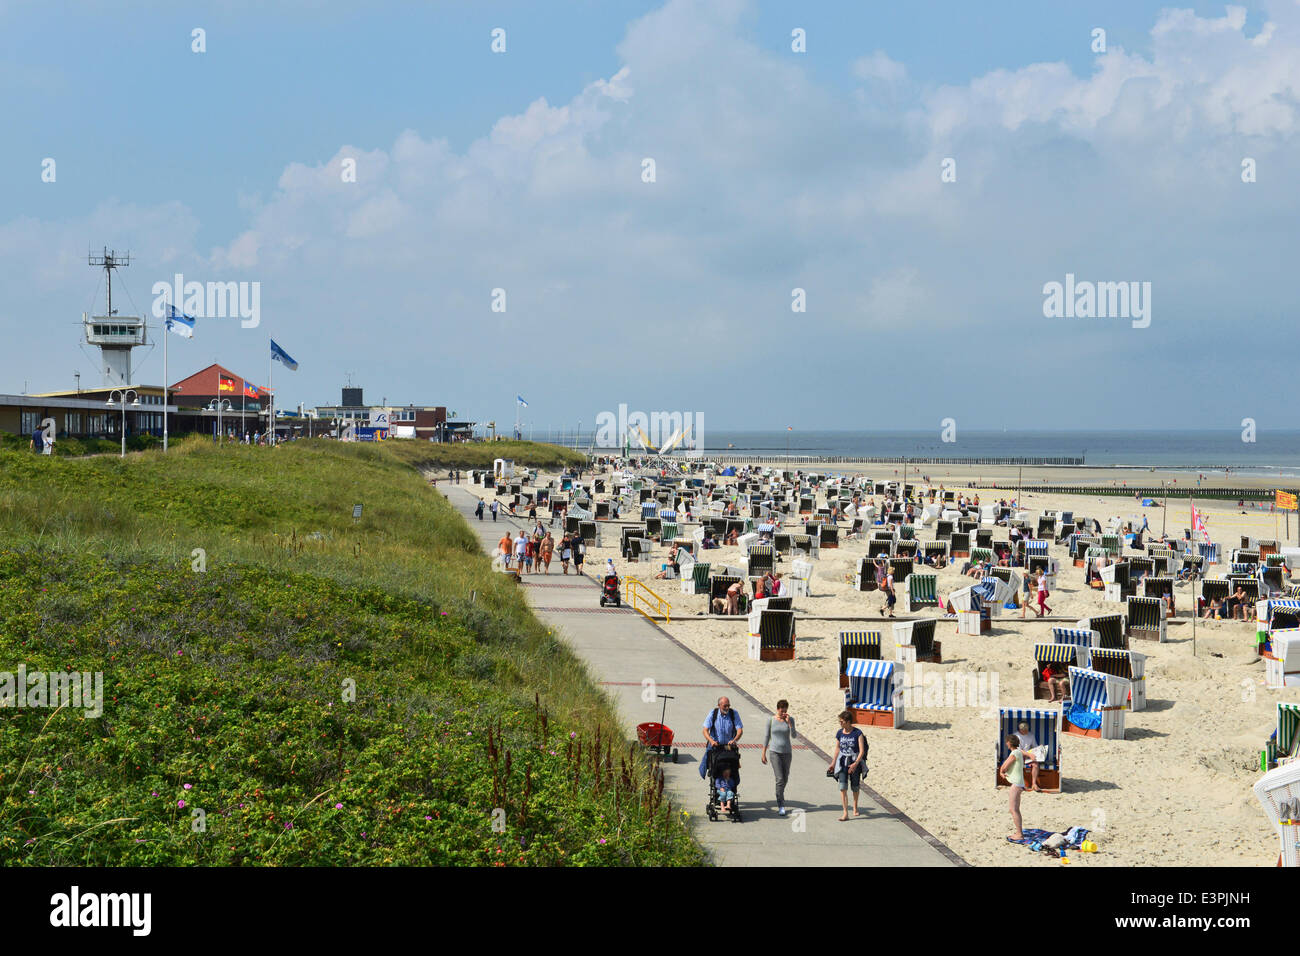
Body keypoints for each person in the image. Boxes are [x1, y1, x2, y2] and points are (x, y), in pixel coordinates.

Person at [828, 711, 866, 821]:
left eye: (842, 721)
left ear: (848, 722)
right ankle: (845, 813)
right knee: (843, 788)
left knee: (855, 787)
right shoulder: (840, 733)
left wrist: (855, 764)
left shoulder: (858, 733)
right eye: (839, 721)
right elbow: (837, 749)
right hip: (842, 762)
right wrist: (833, 763)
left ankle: (855, 807)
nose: (840, 723)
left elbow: (861, 751)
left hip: (854, 762)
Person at [761, 700, 797, 815]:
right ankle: (781, 803)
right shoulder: (771, 720)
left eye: (785, 711)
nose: (784, 713)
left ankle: (779, 793)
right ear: (777, 709)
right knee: (780, 778)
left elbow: (794, 736)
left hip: (787, 752)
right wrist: (763, 753)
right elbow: (767, 737)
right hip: (774, 752)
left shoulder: (790, 720)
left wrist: (789, 724)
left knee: (785, 778)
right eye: (782, 711)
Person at [699, 697, 743, 779]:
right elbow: (705, 730)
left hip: (728, 745)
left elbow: (740, 730)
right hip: (715, 744)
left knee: (735, 761)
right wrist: (711, 741)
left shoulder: (734, 713)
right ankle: (707, 770)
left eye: (728, 706)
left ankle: (734, 780)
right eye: (725, 706)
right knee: (707, 757)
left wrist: (734, 740)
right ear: (719, 705)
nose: (727, 708)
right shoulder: (713, 713)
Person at [1000, 734, 1030, 840]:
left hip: (1016, 784)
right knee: (1015, 809)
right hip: (1019, 783)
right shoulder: (1018, 752)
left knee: (1013, 809)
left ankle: (1019, 834)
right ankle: (1019, 832)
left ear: (1009, 743)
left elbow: (1005, 765)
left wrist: (1001, 771)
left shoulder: (1014, 753)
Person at [1015, 721, 1043, 792]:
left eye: (1027, 729)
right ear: (1020, 730)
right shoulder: (1015, 736)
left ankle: (1034, 784)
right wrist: (1029, 755)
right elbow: (1018, 750)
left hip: (1028, 755)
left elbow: (1035, 746)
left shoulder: (1031, 735)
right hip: (1018, 755)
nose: (1026, 731)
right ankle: (1019, 784)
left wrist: (1040, 748)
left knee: (1035, 765)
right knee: (1018, 763)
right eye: (1024, 730)